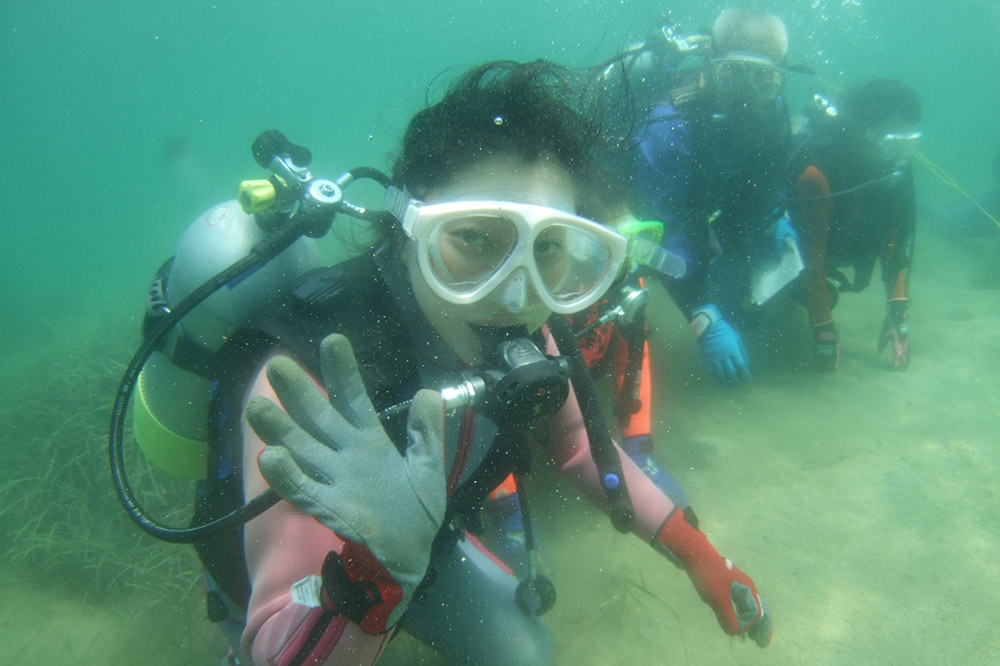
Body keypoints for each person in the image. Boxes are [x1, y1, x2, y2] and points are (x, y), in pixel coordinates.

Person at [171, 60, 772, 664]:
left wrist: (698, 554)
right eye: (474, 239)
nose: (514, 294)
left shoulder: (533, 325)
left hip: (422, 544)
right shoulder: (309, 372)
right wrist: (378, 576)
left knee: (524, 653)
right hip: (316, 592)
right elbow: (280, 634)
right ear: (409, 228)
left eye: (549, 247)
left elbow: (577, 446)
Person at [630, 9, 797, 385]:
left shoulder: (773, 109)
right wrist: (703, 315)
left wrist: (777, 218)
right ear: (710, 60)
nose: (747, 93)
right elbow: (664, 234)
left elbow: (768, 179)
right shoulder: (667, 125)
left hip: (706, 198)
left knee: (744, 301)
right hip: (644, 212)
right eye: (733, 74)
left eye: (764, 78)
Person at [786, 79, 921, 370]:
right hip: (795, 249)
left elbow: (898, 240)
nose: (900, 154)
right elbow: (812, 259)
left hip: (837, 244)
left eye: (909, 142)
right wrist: (823, 330)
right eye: (893, 141)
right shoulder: (816, 173)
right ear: (863, 130)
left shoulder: (894, 166)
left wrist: (898, 313)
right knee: (760, 309)